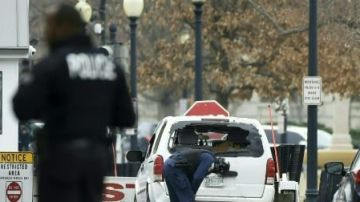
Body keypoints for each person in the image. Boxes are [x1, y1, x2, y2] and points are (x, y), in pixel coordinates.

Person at [12, 4, 135, 202]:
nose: (46, 32)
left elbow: (21, 107)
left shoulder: (53, 64)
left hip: (59, 160)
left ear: (62, 28)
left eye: (50, 26)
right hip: (95, 161)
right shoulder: (110, 67)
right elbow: (127, 118)